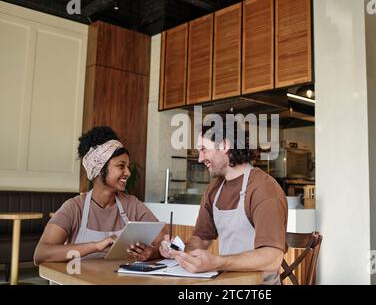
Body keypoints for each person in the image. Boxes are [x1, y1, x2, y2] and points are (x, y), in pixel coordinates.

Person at [160, 121, 288, 285]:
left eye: (203, 149)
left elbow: (272, 258)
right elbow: (201, 238)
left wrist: (218, 262)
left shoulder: (264, 188)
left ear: (225, 144)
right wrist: (179, 251)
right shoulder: (214, 189)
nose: (200, 158)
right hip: (224, 282)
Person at [34, 126, 164, 264]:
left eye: (128, 166)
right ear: (99, 168)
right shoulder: (74, 208)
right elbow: (41, 253)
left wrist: (152, 252)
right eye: (121, 166)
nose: (128, 172)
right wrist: (95, 246)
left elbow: (164, 241)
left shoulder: (132, 205)